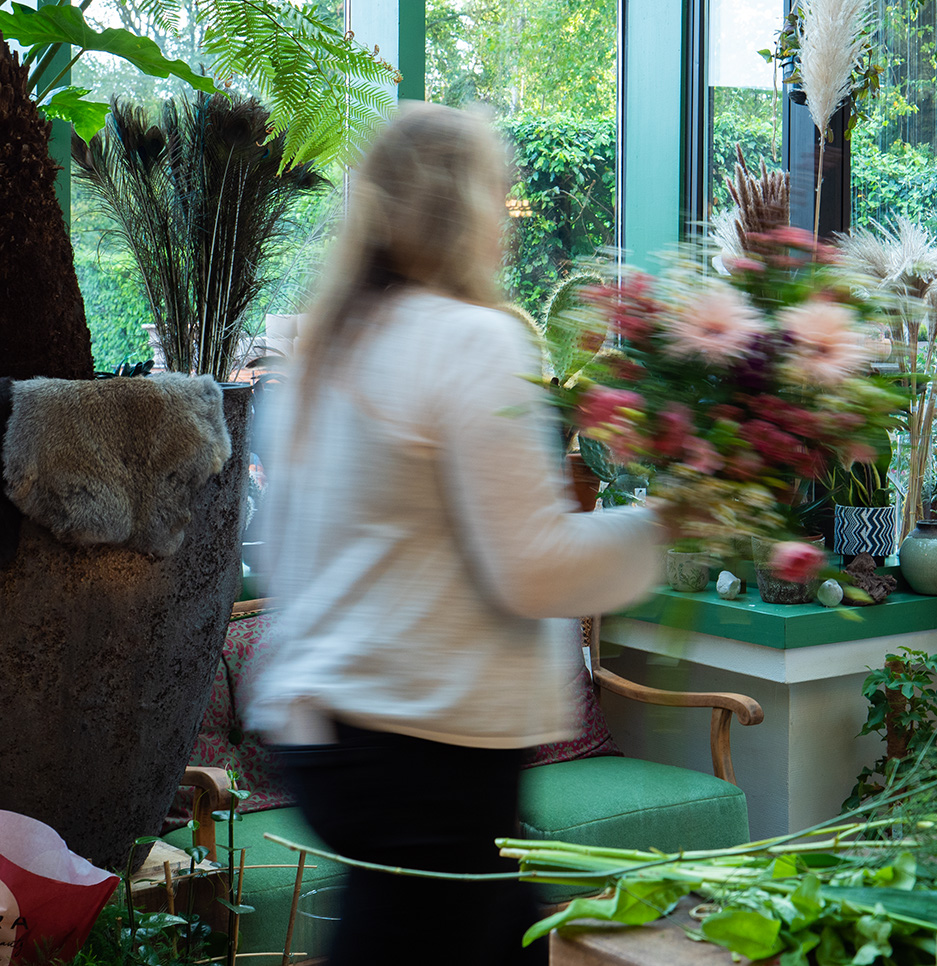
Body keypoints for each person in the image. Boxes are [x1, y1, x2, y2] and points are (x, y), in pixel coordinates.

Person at [248, 102, 664, 965]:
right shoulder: (472, 340)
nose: (509, 221)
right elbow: (536, 570)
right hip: (425, 751)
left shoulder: (326, 353)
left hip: (330, 739)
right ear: (461, 204)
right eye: (499, 193)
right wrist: (678, 524)